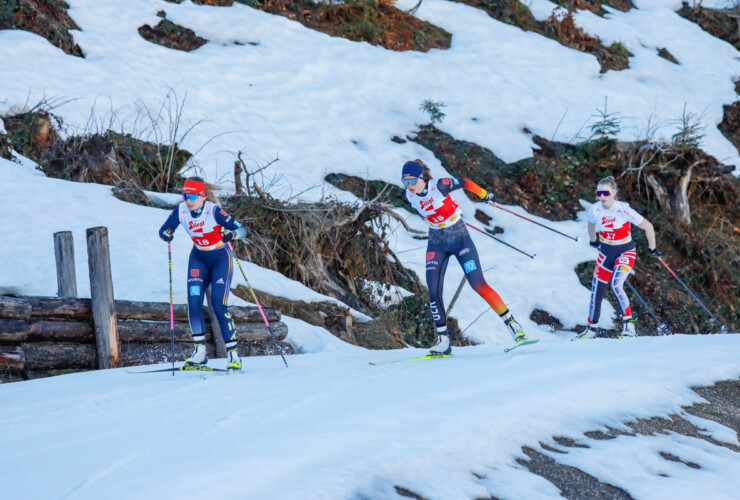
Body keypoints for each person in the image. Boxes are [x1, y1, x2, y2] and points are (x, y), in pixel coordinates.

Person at [401, 159, 535, 355]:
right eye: (405, 182)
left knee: (478, 284)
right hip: (437, 241)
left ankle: (515, 328)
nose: (409, 186)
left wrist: (484, 195)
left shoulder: (440, 185)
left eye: (412, 181)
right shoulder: (409, 195)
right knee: (433, 290)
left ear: (421, 178)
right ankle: (443, 340)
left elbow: (465, 182)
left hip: (459, 237)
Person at [158, 177, 248, 369]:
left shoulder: (213, 210)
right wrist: (166, 233)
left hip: (220, 258)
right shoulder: (181, 210)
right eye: (185, 195)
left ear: (202, 196)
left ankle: (233, 355)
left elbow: (242, 230)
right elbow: (165, 229)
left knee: (217, 302)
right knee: (193, 301)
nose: (188, 200)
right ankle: (199, 353)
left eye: (191, 196)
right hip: (198, 259)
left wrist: (232, 234)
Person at [576, 176, 662, 340]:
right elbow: (591, 224)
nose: (602, 196)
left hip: (625, 252)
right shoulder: (595, 209)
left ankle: (629, 325)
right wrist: (593, 240)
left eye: (606, 193)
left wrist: (652, 248)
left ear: (614, 193)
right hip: (606, 253)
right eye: (598, 193)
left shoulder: (623, 209)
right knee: (596, 292)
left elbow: (648, 226)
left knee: (616, 285)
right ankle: (592, 329)